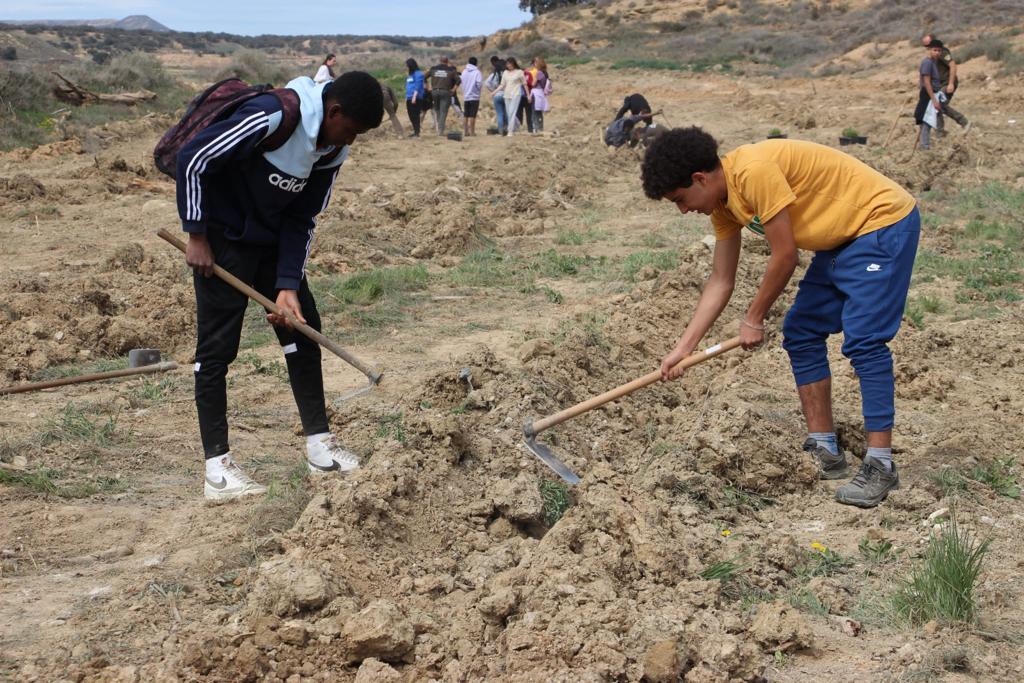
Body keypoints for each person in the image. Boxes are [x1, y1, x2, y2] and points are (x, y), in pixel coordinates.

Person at [642, 128, 920, 508]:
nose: (684, 210)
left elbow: (785, 255)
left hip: (880, 223)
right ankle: (824, 449)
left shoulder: (753, 172)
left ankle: (881, 464)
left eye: (680, 199)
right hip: (840, 239)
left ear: (699, 178)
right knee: (801, 331)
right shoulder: (723, 204)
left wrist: (754, 317)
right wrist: (683, 349)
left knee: (865, 339)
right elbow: (721, 280)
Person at [175, 71, 384, 501]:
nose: (352, 141)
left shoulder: (331, 151)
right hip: (223, 241)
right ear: (334, 111)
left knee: (301, 332)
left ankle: (319, 448)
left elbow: (302, 217)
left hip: (271, 245)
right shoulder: (273, 115)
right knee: (217, 350)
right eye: (352, 130)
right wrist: (196, 234)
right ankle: (218, 469)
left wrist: (287, 283)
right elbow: (193, 158)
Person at [920, 34, 969, 133]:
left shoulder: (941, 52)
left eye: (928, 45)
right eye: (925, 46)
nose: (927, 48)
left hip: (947, 82)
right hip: (939, 84)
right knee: (936, 106)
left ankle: (964, 122)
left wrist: (950, 83)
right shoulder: (931, 55)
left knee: (940, 104)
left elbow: (953, 66)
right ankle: (940, 131)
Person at [914, 41, 945, 150]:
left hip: (934, 93)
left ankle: (939, 139)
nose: (937, 53)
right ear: (930, 50)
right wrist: (934, 100)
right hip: (928, 94)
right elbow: (927, 82)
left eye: (939, 51)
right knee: (926, 121)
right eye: (935, 50)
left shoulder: (933, 62)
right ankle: (924, 147)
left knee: (937, 118)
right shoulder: (927, 63)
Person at [426, 55, 460, 135]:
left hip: (434, 92)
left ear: (440, 60)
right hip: (445, 92)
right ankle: (440, 131)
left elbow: (424, 77)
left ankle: (439, 128)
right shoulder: (451, 70)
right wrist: (453, 90)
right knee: (443, 111)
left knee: (437, 110)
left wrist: (428, 88)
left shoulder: (433, 69)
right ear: (447, 61)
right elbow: (458, 80)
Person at [500, 57, 526, 136]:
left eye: (510, 64)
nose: (509, 65)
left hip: (516, 94)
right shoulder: (505, 72)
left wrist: (528, 95)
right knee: (509, 113)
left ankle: (510, 131)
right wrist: (495, 92)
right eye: (507, 64)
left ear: (514, 64)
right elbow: (502, 84)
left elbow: (524, 84)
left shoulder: (519, 72)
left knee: (512, 112)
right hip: (507, 94)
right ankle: (517, 124)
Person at [460, 56, 483, 136]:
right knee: (473, 115)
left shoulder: (464, 71)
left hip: (466, 96)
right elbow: (479, 83)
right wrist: (477, 90)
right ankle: (472, 132)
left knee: (466, 114)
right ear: (476, 63)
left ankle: (465, 132)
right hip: (474, 96)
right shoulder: (477, 72)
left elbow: (461, 82)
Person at [404, 57, 426, 137]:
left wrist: (414, 96)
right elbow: (408, 85)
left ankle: (417, 132)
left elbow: (418, 85)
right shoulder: (410, 75)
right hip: (409, 97)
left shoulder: (419, 74)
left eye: (407, 66)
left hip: (415, 98)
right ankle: (415, 131)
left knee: (415, 115)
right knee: (411, 115)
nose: (407, 67)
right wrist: (407, 97)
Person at [528, 57, 550, 133]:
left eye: (536, 63)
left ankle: (536, 128)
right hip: (541, 93)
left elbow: (533, 83)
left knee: (534, 111)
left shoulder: (539, 73)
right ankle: (541, 127)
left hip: (536, 93)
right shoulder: (545, 73)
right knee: (539, 112)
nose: (535, 64)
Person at [487, 55, 508, 135]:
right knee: (507, 113)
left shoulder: (494, 74)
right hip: (506, 95)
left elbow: (486, 83)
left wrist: (494, 91)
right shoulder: (507, 74)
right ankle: (507, 129)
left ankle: (500, 131)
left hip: (497, 95)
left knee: (499, 114)